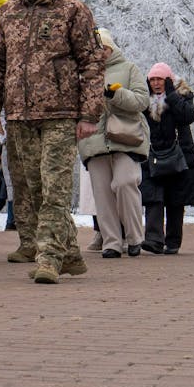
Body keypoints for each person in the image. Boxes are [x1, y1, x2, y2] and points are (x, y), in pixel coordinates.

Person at [0, 0, 105, 284]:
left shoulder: (73, 10)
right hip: (19, 115)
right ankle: (71, 254)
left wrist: (89, 113)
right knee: (33, 191)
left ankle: (48, 258)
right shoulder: (8, 12)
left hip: (61, 114)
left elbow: (92, 64)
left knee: (54, 190)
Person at [76, 32, 149, 258]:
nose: (100, 52)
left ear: (111, 48)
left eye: (103, 48)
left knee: (125, 182)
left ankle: (135, 238)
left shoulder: (129, 69)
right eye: (95, 49)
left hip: (125, 138)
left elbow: (141, 101)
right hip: (94, 141)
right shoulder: (83, 74)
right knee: (102, 193)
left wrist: (116, 94)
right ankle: (111, 242)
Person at [140, 63, 194, 254]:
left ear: (168, 80)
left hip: (179, 155)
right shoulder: (144, 100)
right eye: (152, 80)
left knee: (175, 199)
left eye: (159, 79)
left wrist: (171, 95)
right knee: (153, 197)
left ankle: (172, 242)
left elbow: (188, 116)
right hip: (152, 155)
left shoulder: (183, 95)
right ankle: (154, 239)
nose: (155, 83)